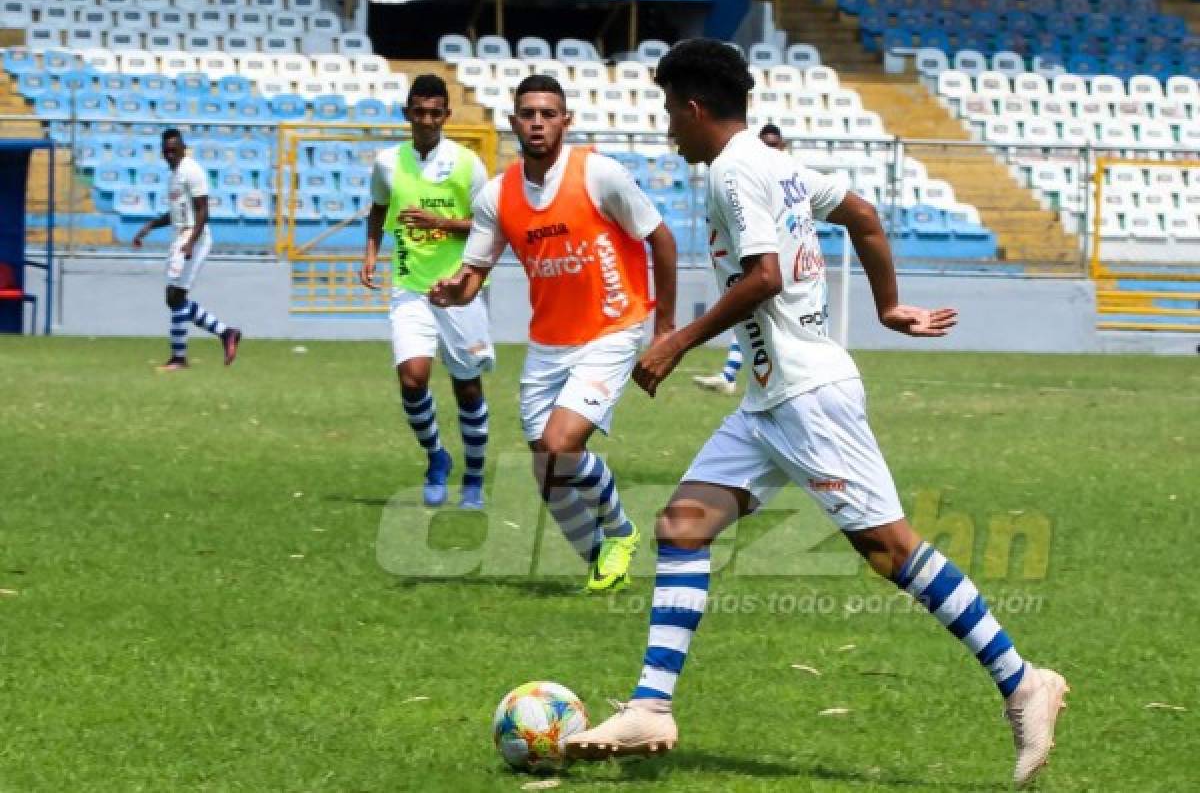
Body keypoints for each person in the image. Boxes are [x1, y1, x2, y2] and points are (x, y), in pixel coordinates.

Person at [565, 39, 1067, 789]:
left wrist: (676, 341)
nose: (669, 126)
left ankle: (1024, 680)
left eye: (671, 110)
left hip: (806, 397)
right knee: (682, 524)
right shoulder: (777, 164)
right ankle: (651, 705)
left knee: (892, 553)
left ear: (696, 108)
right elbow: (861, 215)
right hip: (771, 399)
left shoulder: (736, 169)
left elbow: (765, 276)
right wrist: (888, 306)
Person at [429, 74, 678, 593]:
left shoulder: (600, 174)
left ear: (565, 120)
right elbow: (474, 272)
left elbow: (660, 237)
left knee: (562, 445)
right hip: (549, 342)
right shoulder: (498, 196)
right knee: (546, 471)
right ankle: (597, 559)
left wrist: (666, 330)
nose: (537, 123)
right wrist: (456, 290)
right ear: (514, 121)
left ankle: (621, 533)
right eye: (528, 114)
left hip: (613, 326)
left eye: (548, 113)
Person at [360, 74, 495, 509]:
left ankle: (473, 477)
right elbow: (380, 207)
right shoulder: (387, 163)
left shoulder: (468, 165)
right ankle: (437, 457)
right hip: (411, 287)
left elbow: (490, 225)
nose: (427, 120)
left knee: (467, 389)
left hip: (460, 289)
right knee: (412, 379)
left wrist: (441, 224)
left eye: (436, 113)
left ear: (446, 116)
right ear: (407, 114)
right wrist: (370, 253)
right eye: (420, 112)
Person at [133, 128, 241, 371]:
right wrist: (150, 226)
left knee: (175, 297)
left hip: (195, 236)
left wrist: (191, 242)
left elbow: (203, 211)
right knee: (174, 299)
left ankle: (179, 358)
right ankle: (226, 333)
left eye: (174, 149)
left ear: (183, 148)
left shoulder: (192, 171)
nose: (170, 154)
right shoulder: (174, 175)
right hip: (181, 236)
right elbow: (176, 214)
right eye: (167, 151)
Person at [691, 123, 784, 396]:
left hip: (778, 271)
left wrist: (680, 342)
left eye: (774, 144)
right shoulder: (746, 178)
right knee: (749, 317)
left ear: (783, 146)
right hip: (759, 263)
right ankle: (732, 376)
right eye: (765, 144)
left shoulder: (790, 178)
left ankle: (734, 377)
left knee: (756, 319)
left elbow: (862, 214)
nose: (770, 149)